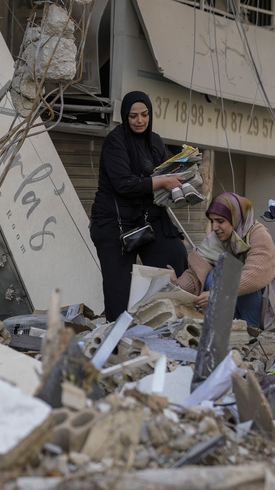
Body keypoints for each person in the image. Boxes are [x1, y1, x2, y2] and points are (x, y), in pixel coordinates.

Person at [89, 91, 189, 321]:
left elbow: (162, 175)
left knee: (174, 255)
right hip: (114, 224)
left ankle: (169, 325)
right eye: (133, 116)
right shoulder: (115, 141)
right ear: (125, 116)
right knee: (119, 294)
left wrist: (180, 185)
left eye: (144, 115)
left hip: (148, 219)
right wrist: (163, 182)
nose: (140, 120)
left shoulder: (155, 141)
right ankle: (118, 345)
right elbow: (124, 184)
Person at [174, 192, 275, 329]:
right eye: (212, 221)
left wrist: (218, 294)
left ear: (236, 218)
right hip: (232, 294)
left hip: (266, 297)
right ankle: (224, 329)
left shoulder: (258, 234)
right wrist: (177, 286)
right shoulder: (214, 240)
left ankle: (250, 330)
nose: (215, 227)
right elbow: (197, 272)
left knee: (233, 273)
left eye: (220, 221)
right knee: (214, 274)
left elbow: (253, 276)